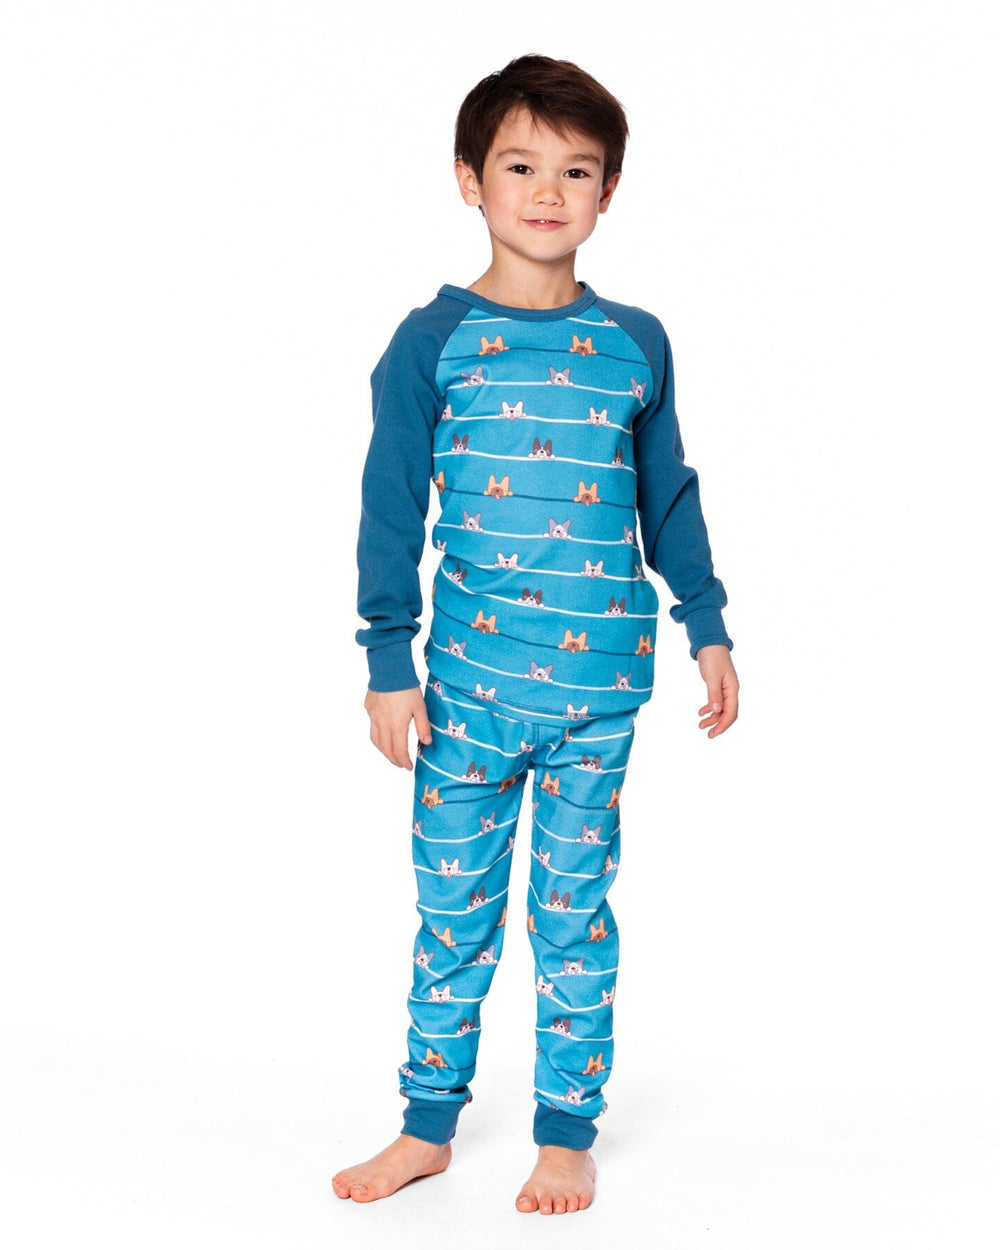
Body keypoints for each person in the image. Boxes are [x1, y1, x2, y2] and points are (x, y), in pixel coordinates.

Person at [332, 53, 739, 1216]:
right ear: (470, 180)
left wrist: (706, 621)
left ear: (609, 190)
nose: (547, 191)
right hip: (463, 690)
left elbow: (666, 491)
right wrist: (386, 661)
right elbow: (390, 506)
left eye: (576, 169)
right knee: (451, 913)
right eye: (519, 166)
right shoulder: (433, 342)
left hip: (598, 691)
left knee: (571, 913)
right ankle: (426, 1123)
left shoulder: (634, 342)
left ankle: (566, 1132)